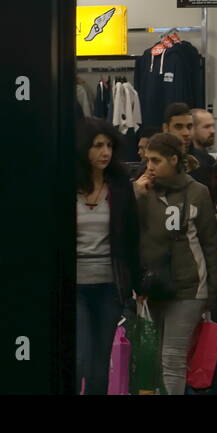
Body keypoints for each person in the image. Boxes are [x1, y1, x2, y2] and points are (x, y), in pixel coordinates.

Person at [134, 132, 217, 395]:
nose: (149, 166)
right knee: (152, 360)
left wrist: (212, 293)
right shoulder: (141, 190)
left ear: (174, 160)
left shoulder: (198, 192)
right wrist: (135, 196)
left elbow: (210, 244)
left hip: (189, 288)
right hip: (152, 286)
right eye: (148, 160)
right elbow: (127, 233)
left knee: (172, 358)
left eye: (156, 160)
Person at [76, 117, 139, 395]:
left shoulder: (120, 186)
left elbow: (131, 236)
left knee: (100, 365)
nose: (105, 152)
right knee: (80, 357)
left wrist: (134, 284)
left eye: (109, 146)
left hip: (109, 286)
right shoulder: (64, 184)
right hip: (74, 286)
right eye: (97, 146)